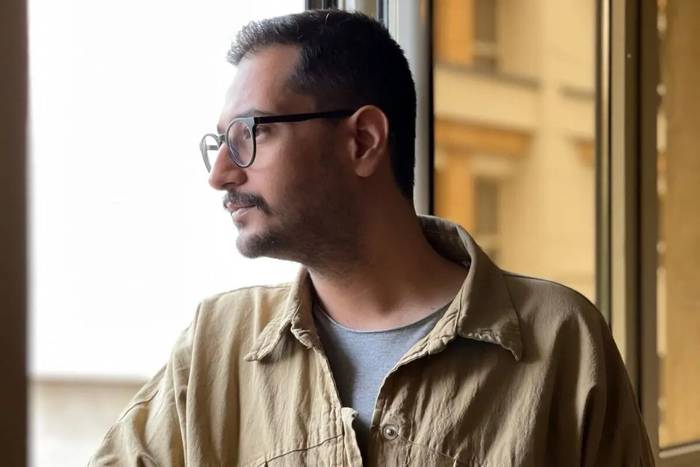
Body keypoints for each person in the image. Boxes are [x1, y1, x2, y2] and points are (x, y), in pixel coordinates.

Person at [90, 9, 654, 467]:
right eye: (219, 144)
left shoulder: (560, 340)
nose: (220, 174)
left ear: (362, 140)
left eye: (249, 134)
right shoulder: (216, 345)